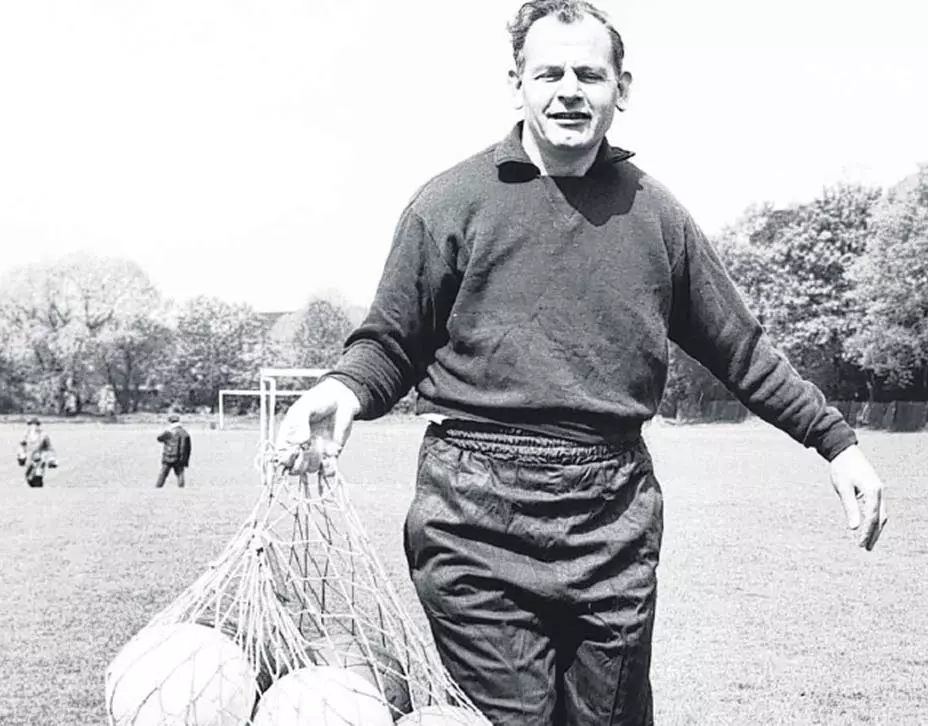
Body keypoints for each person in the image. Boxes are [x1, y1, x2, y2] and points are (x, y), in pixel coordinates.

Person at [277, 2, 888, 723]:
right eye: (550, 73)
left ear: (620, 88)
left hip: (613, 514)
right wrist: (343, 389)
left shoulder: (656, 215)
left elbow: (740, 348)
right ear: (517, 85)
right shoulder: (449, 204)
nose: (569, 89)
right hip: (473, 511)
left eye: (589, 74)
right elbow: (391, 340)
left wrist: (836, 443)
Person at [17, 417, 57, 488]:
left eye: (35, 424)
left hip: (40, 458)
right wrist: (21, 456)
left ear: (38, 425)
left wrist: (52, 460)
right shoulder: (26, 435)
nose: (33, 426)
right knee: (29, 477)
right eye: (31, 424)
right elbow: (22, 446)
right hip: (30, 459)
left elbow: (49, 448)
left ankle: (38, 490)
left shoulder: (44, 435)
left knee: (38, 476)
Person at [155, 413, 191, 488]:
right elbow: (188, 447)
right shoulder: (184, 433)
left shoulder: (168, 432)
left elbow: (159, 438)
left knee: (163, 474)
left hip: (168, 456)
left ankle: (158, 487)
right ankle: (181, 488)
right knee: (180, 474)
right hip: (179, 457)